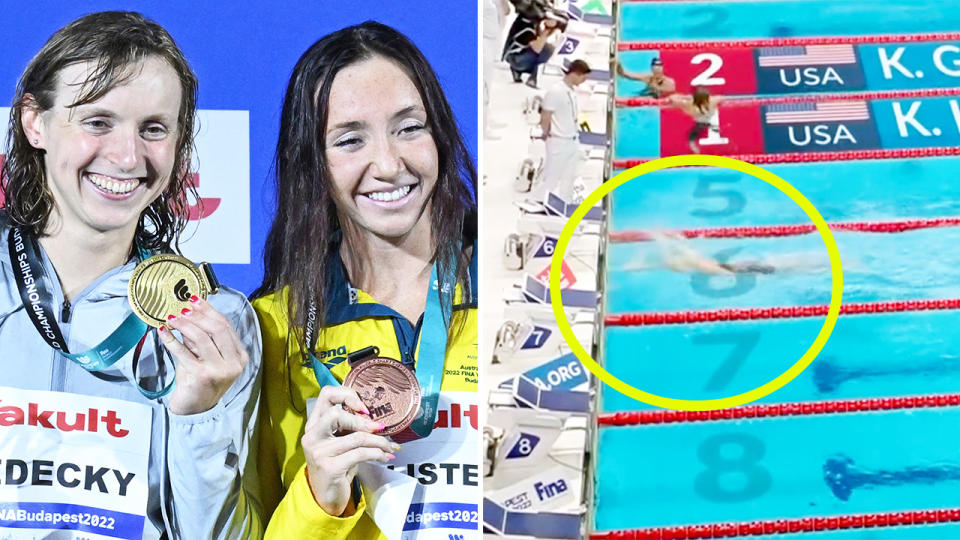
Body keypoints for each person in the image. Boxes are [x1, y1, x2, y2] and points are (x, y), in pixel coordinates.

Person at [0, 11, 262, 539]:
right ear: (35, 122)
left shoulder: (214, 322)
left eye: (154, 129)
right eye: (97, 121)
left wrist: (198, 419)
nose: (126, 156)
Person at [252, 21, 478, 539]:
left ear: (438, 134)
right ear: (313, 163)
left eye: (408, 127)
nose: (388, 164)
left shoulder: (518, 296)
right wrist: (320, 496)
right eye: (350, 139)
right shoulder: (273, 332)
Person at [529, 59, 591, 205]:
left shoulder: (571, 92)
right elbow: (546, 114)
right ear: (575, 74)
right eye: (583, 77)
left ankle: (565, 202)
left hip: (572, 140)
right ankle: (536, 201)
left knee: (569, 176)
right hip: (558, 140)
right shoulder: (556, 91)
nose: (584, 81)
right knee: (552, 175)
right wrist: (545, 133)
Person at [504, 15, 565, 89]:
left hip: (519, 57)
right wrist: (546, 30)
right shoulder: (530, 27)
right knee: (547, 49)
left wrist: (548, 31)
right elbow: (537, 48)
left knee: (547, 48)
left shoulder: (555, 33)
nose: (548, 19)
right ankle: (532, 77)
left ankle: (525, 73)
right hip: (516, 59)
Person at [669, 88, 726, 153]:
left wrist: (686, 97)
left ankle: (695, 150)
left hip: (699, 122)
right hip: (707, 119)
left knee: (691, 139)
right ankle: (712, 128)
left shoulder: (689, 104)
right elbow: (722, 97)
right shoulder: (712, 102)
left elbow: (672, 98)